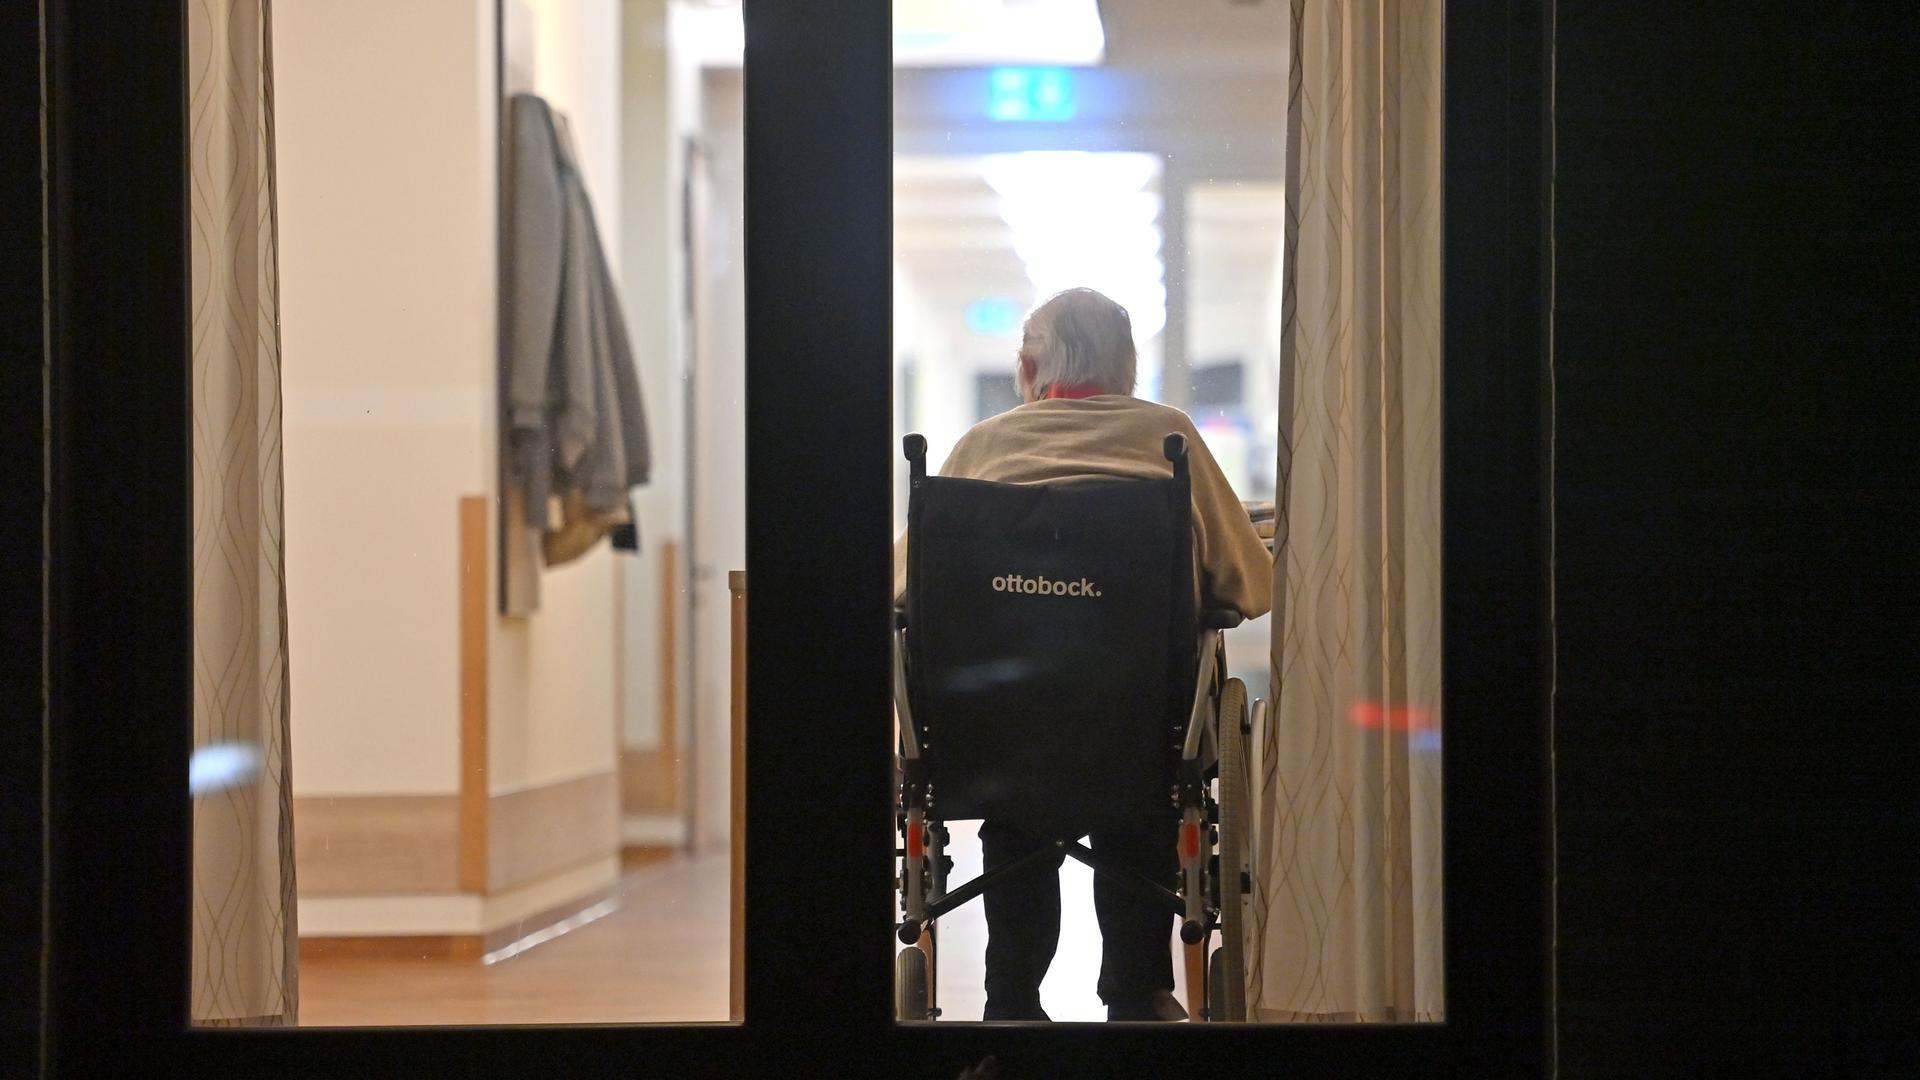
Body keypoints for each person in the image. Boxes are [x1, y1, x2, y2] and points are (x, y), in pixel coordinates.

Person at [894, 287, 1273, 1023]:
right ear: (1126, 365)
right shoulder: (1173, 441)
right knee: (1140, 810)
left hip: (997, 736)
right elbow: (1247, 586)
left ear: (1031, 366)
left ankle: (1010, 999)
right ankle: (1136, 990)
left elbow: (907, 588)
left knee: (1015, 813)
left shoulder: (982, 448)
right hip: (1135, 726)